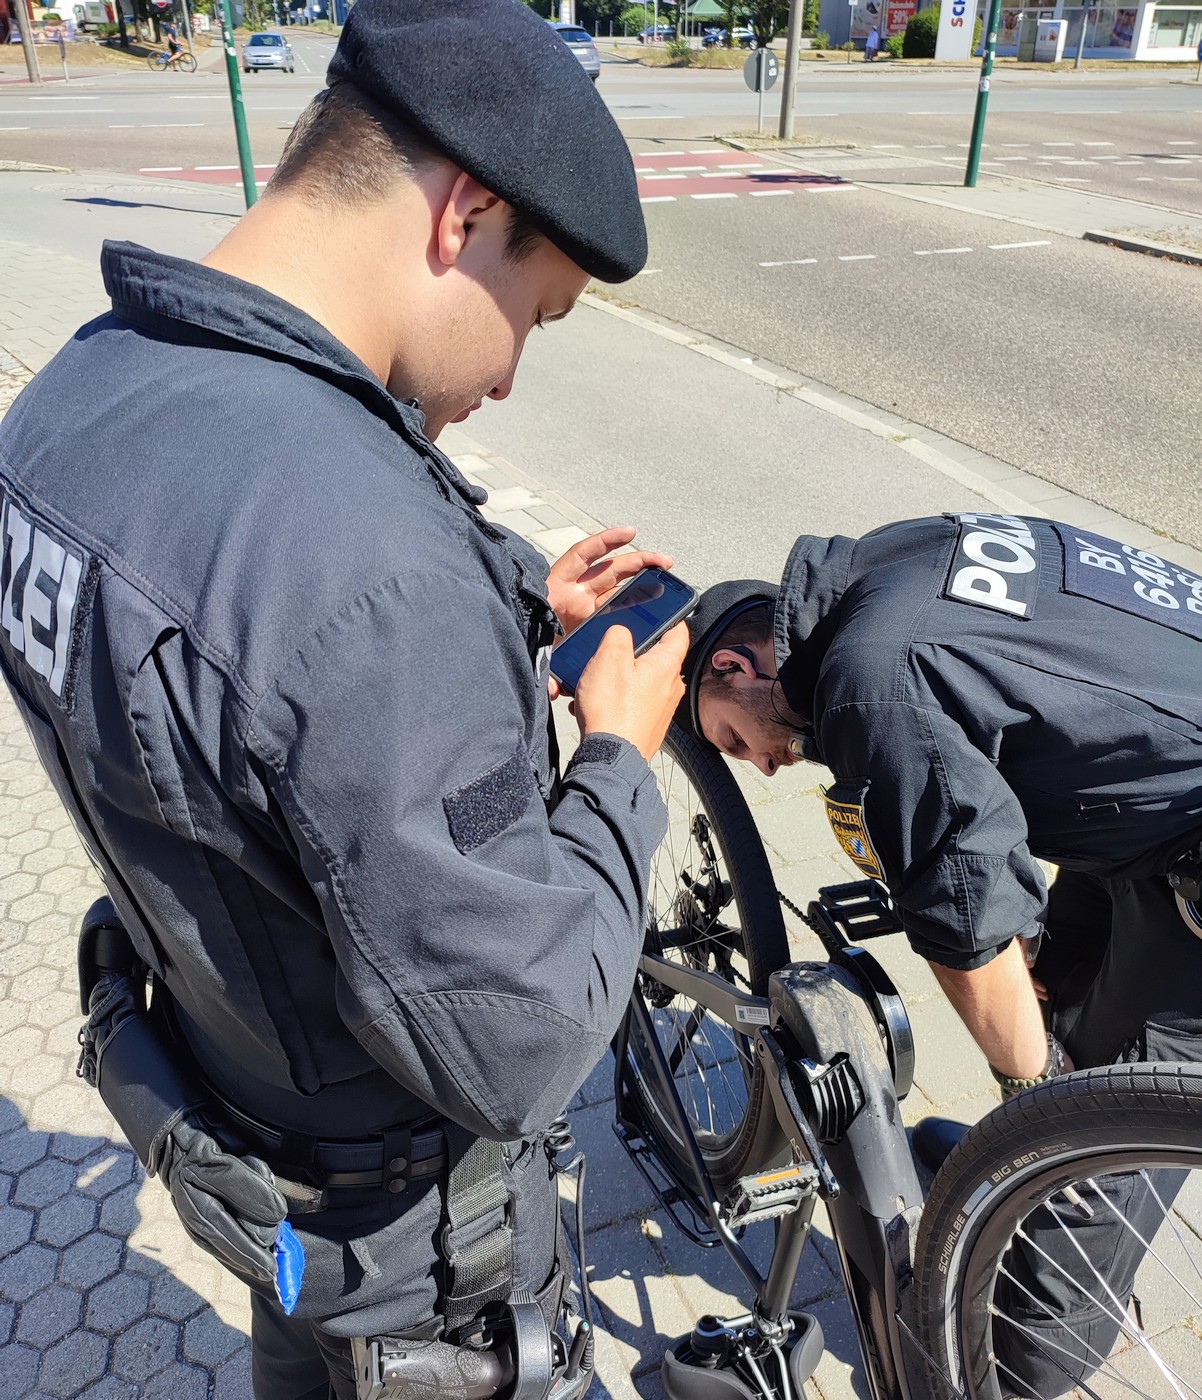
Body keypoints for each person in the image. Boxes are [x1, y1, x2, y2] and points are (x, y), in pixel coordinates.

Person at [0, 1, 689, 1395]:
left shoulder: (70, 401)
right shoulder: (364, 574)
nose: (505, 372)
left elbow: (241, 680)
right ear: (464, 214)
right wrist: (616, 760)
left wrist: (500, 603)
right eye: (533, 311)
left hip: (260, 1136)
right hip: (417, 1256)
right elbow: (519, 1046)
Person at [679, 513, 1202, 1397]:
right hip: (1149, 789)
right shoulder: (888, 565)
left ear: (736, 666)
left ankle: (1007, 1358)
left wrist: (1030, 1117)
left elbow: (965, 921)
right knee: (1055, 995)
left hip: (1185, 843)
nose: (760, 769)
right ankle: (1021, 1205)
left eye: (733, 740)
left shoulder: (867, 683)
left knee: (1081, 1128)